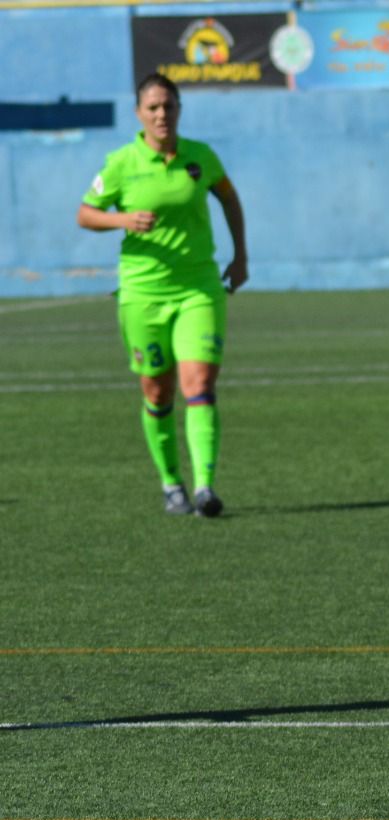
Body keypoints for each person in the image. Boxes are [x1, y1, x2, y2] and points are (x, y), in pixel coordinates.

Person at [77, 73, 248, 518]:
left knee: (200, 385)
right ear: (138, 114)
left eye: (168, 106)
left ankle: (206, 487)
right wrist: (123, 220)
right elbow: (85, 213)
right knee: (157, 390)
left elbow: (229, 198)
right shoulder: (121, 163)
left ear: (179, 110)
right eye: (152, 107)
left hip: (198, 288)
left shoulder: (201, 157)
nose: (161, 114)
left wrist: (241, 256)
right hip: (142, 293)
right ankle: (172, 484)